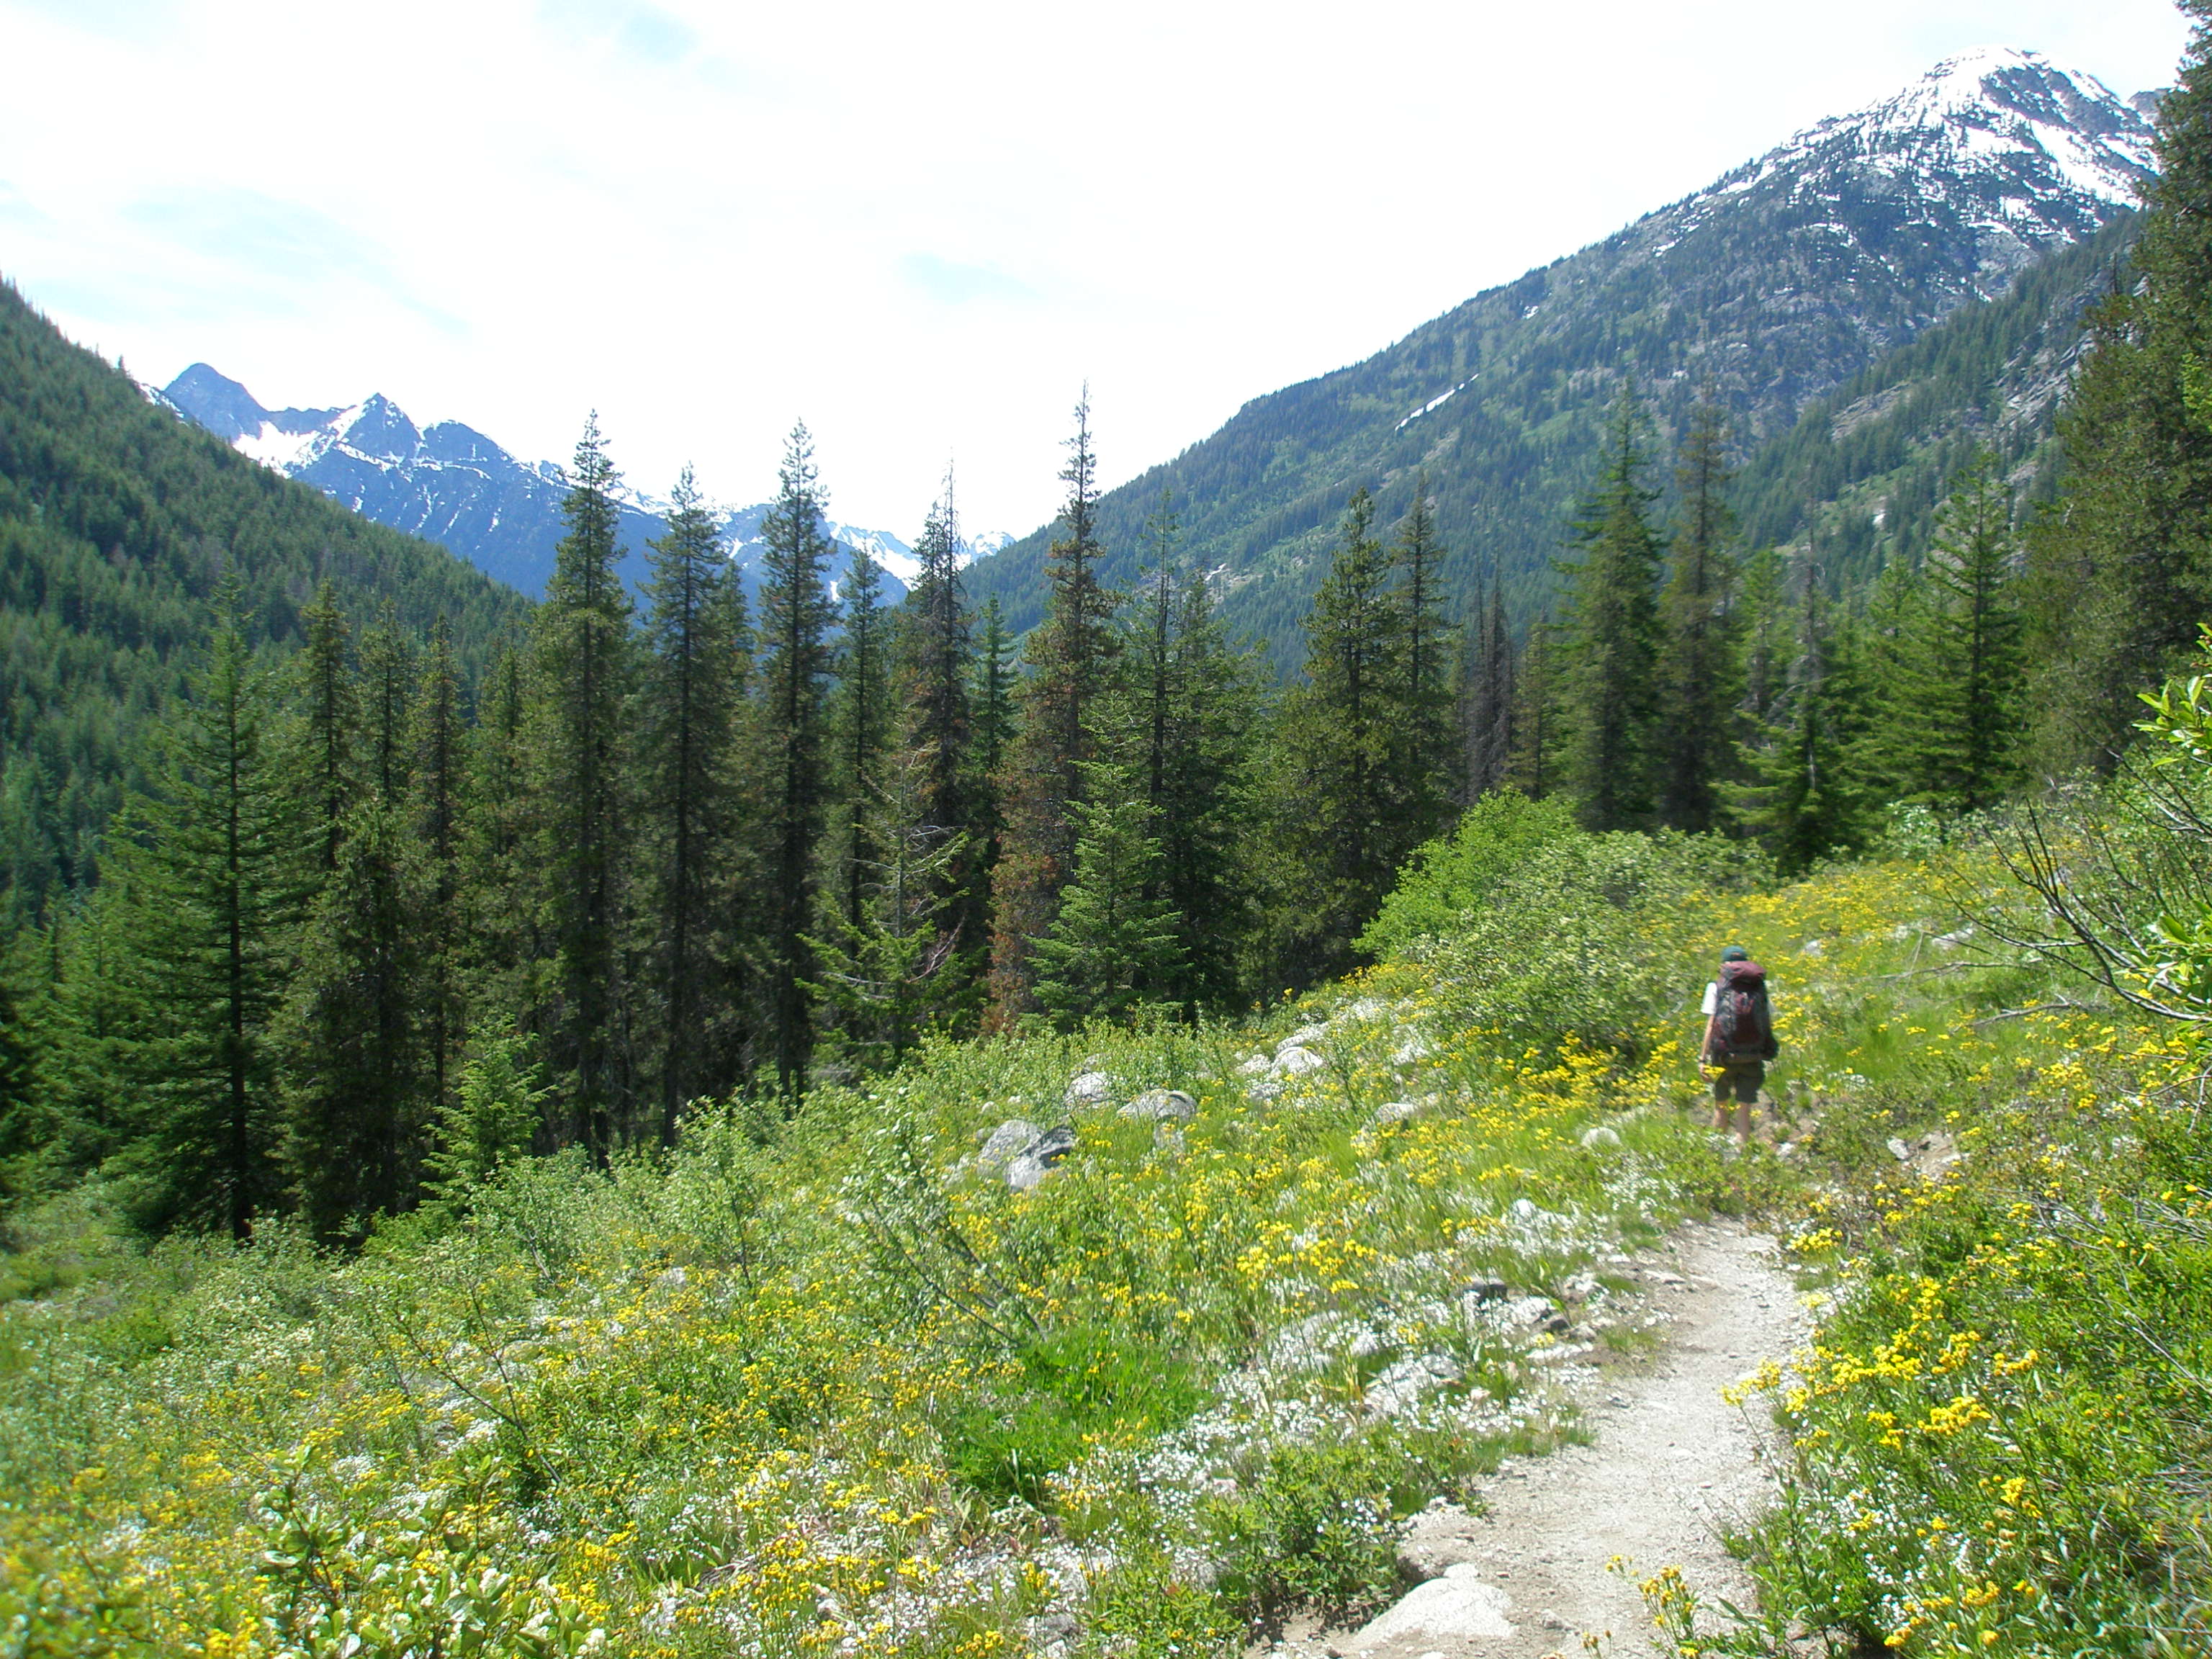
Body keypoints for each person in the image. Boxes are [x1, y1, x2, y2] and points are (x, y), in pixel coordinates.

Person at [1701, 945, 1777, 1140]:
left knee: (1721, 1106)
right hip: (1753, 1054)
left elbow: (1711, 1026)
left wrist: (1703, 1059)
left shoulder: (1716, 986)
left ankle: (1717, 1156)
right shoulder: (1759, 986)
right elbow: (1767, 1020)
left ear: (1724, 964)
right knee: (1744, 1111)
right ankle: (1742, 1159)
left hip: (1724, 1056)